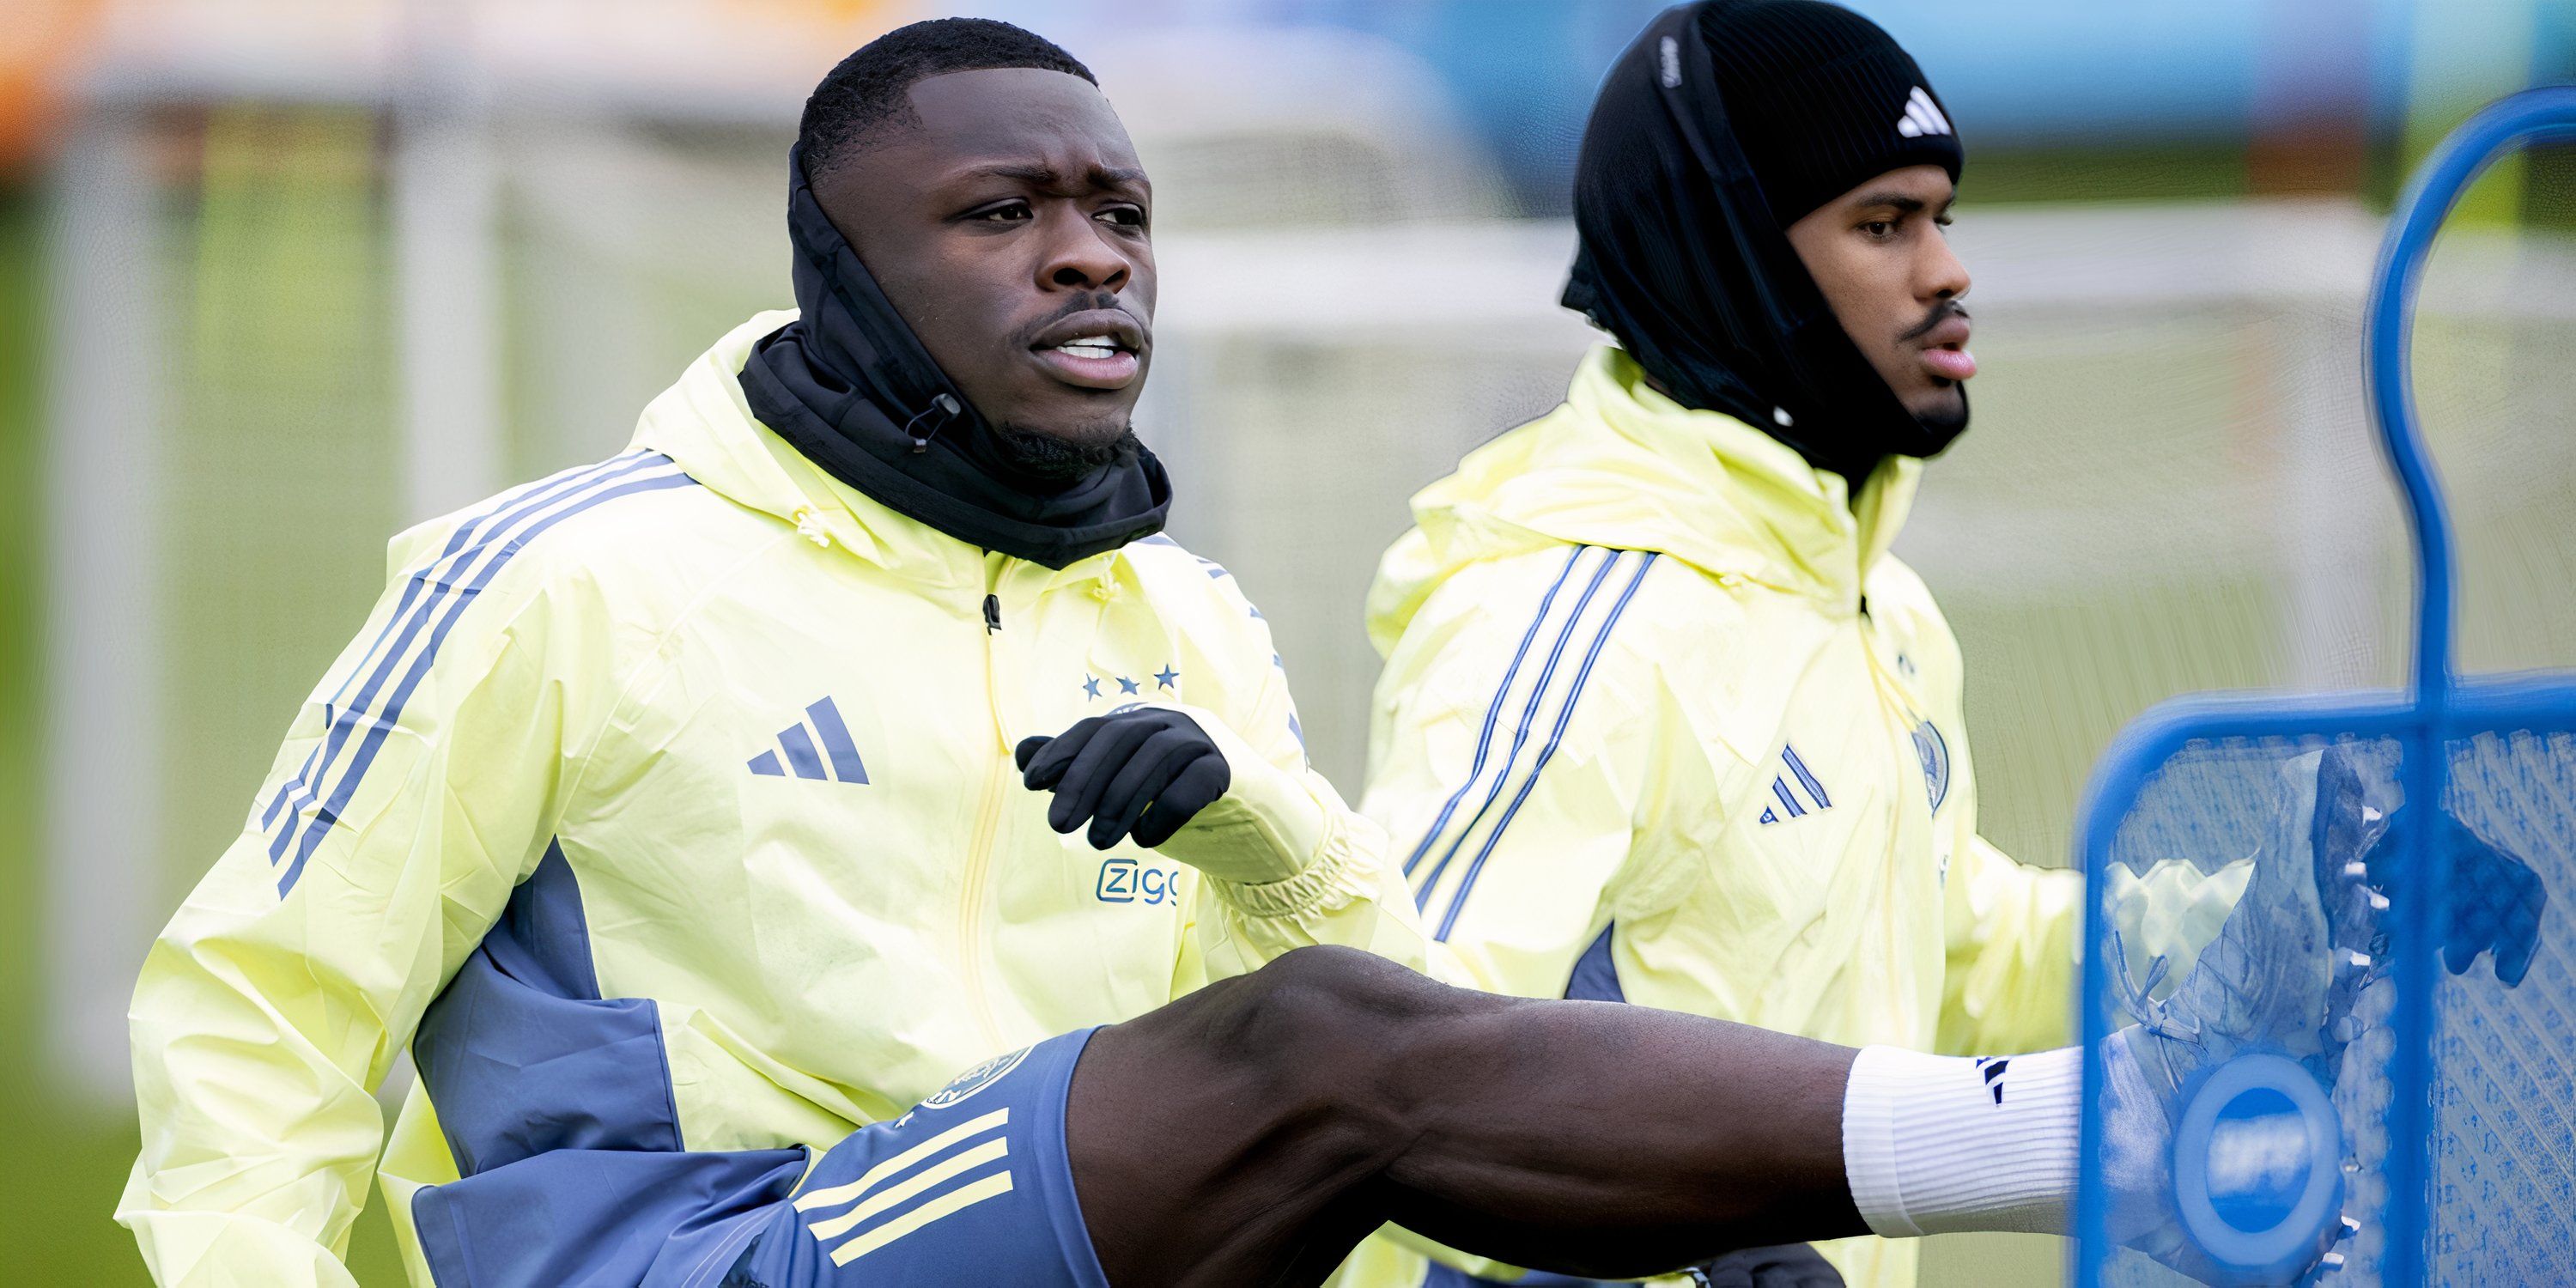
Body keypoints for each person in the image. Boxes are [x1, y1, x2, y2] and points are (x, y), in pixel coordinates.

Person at [117, 20, 1419, 1286]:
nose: (1091, 260)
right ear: (844, 272)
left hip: (1050, 1231)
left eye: (1121, 215)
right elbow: (265, 1004)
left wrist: (1276, 842)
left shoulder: (1190, 622)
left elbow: (1367, 1083)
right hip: (696, 1247)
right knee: (1339, 1062)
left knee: (1403, 1072)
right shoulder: (566, 579)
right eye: (1001, 213)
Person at [1352, 4, 2543, 1287]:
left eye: (1943, 217)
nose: (1946, 271)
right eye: (1883, 224)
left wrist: (2295, 908)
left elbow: (1957, 961)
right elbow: (1391, 1091)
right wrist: (1690, 1253)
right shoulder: (1562, 620)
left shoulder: (1874, 605)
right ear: (1734, 256)